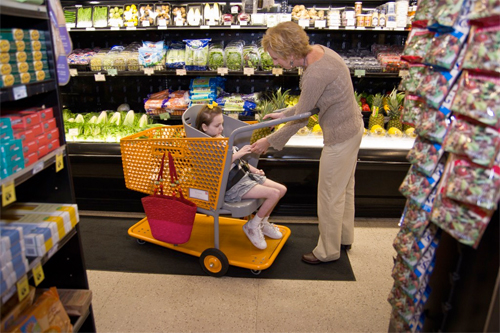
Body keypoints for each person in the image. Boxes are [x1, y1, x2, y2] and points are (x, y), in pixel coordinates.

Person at [251, 21, 364, 264]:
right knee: (344, 188)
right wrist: (284, 114)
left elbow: (302, 119)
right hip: (353, 128)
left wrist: (268, 142)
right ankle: (343, 238)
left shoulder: (314, 73)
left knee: (329, 194)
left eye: (276, 58)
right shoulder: (320, 52)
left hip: (341, 136)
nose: (275, 63)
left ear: (290, 54)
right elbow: (312, 104)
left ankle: (327, 252)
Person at [196, 102, 287, 250]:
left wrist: (254, 170)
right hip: (232, 186)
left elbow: (238, 161)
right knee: (273, 193)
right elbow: (217, 166)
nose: (221, 128)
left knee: (281, 190)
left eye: (222, 124)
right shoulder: (206, 145)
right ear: (205, 127)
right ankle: (253, 225)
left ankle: (262, 222)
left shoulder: (221, 137)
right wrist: (237, 154)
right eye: (217, 125)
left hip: (243, 176)